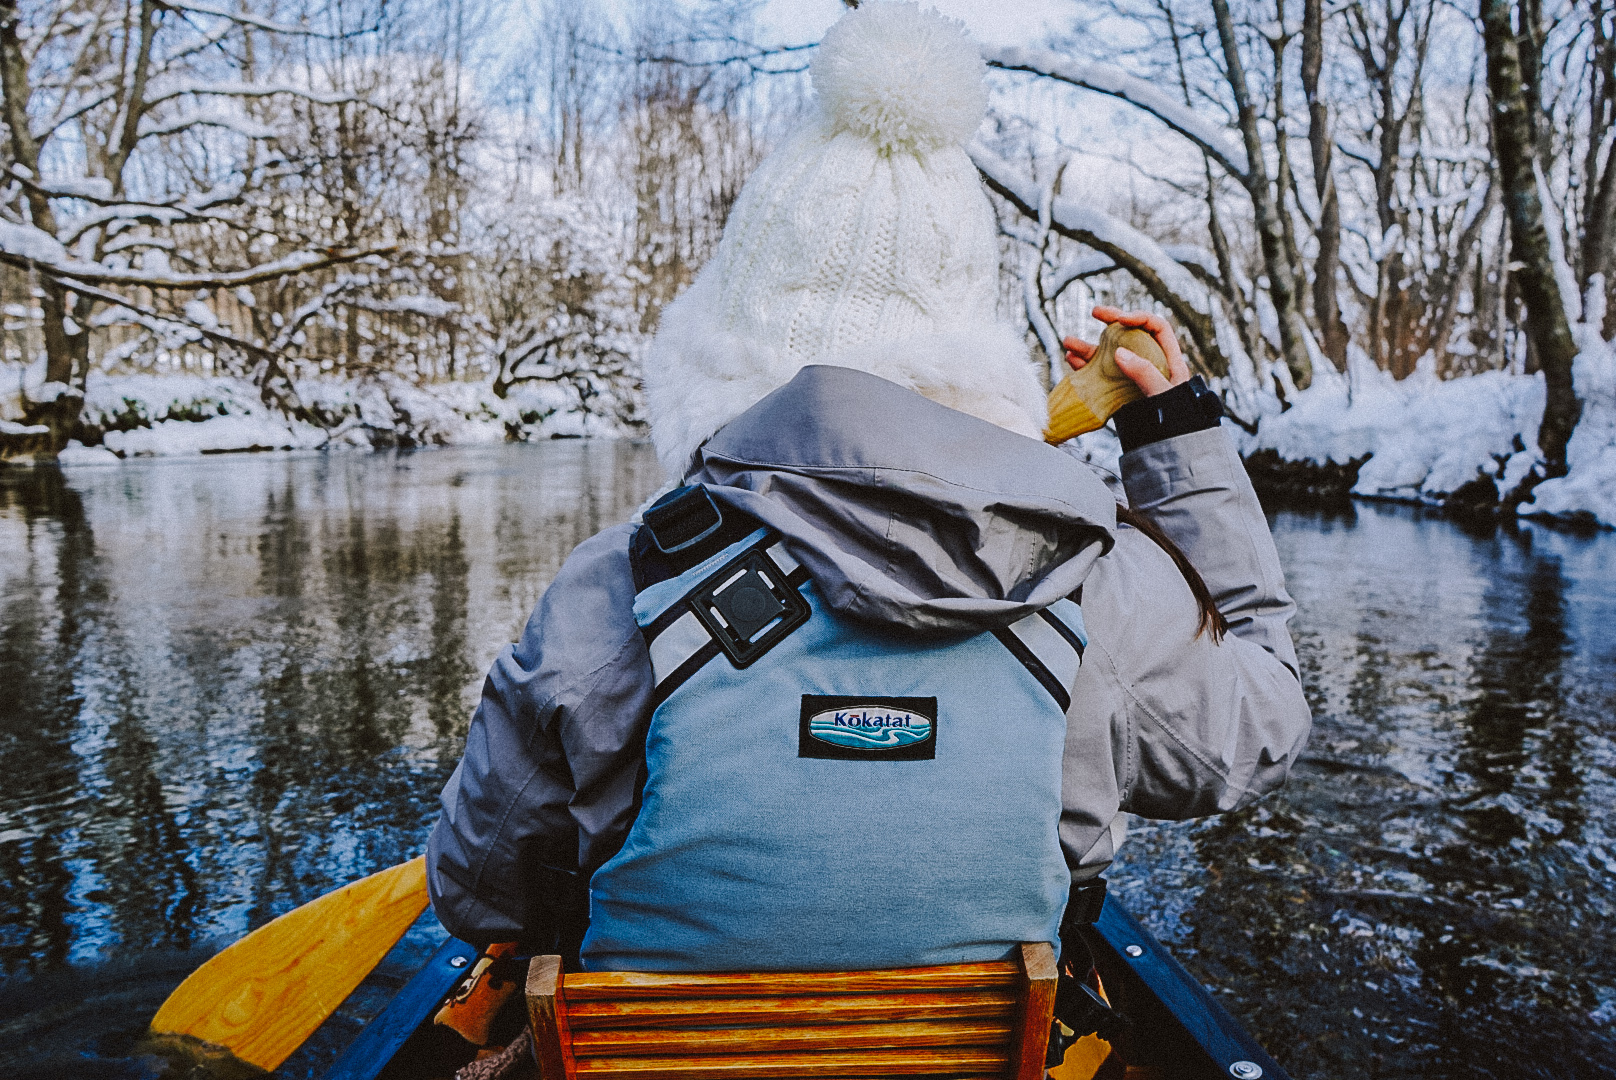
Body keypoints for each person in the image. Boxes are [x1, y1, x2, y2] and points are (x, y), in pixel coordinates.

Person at [425, 2, 1310, 972]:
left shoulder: (616, 585)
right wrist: (1174, 438)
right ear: (971, 345)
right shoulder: (1093, 579)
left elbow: (480, 896)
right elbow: (1255, 731)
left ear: (725, 337)